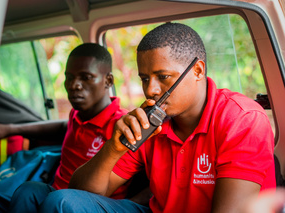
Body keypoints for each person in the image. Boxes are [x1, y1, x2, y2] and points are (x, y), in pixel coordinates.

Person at [37, 23, 276, 213]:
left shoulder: (242, 119)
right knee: (61, 201)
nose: (150, 90)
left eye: (163, 77)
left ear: (198, 71)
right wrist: (113, 148)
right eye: (144, 78)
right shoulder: (151, 121)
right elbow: (81, 192)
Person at [0, 43, 129, 212]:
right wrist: (9, 129)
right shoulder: (77, 115)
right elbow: (62, 127)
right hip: (49, 196)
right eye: (69, 77)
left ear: (108, 81)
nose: (73, 85)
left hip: (81, 206)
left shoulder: (122, 126)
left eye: (86, 77)